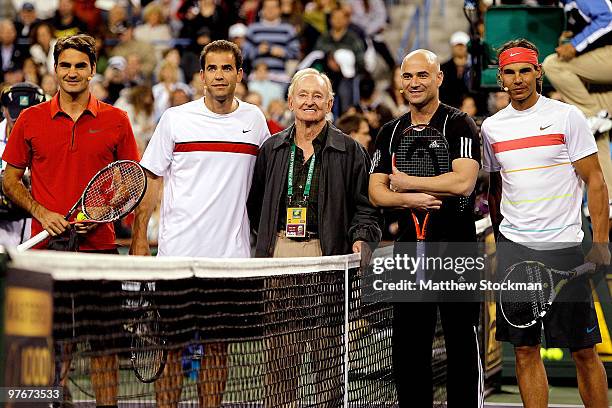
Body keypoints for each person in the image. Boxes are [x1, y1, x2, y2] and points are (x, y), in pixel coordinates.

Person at [1, 33, 140, 407]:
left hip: (100, 251)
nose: (73, 72)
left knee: (104, 348)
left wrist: (98, 214)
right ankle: (43, 403)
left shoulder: (117, 119)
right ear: (55, 69)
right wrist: (41, 213)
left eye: (80, 65)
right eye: (65, 65)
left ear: (93, 69)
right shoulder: (30, 120)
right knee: (40, 346)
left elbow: (130, 180)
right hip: (44, 253)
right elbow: (9, 179)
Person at [130, 39, 270, 408]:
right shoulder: (176, 119)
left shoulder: (255, 121)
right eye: (212, 68)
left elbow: (268, 181)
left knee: (217, 350)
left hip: (229, 261)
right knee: (171, 349)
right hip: (177, 258)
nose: (219, 75)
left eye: (227, 68)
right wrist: (140, 239)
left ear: (239, 74)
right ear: (202, 75)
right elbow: (151, 179)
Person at [483, 39, 610, 408]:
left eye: (525, 70)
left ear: (538, 72)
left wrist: (600, 243)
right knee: (524, 351)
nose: (518, 78)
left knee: (584, 352)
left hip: (565, 250)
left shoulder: (566, 116)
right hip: (516, 252)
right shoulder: (491, 128)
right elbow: (495, 191)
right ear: (501, 77)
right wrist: (500, 244)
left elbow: (596, 181)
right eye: (510, 71)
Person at [247, 67, 381, 407]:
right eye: (303, 96)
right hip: (279, 257)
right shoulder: (272, 149)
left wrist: (362, 238)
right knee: (280, 353)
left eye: (318, 96)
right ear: (290, 101)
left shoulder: (350, 150)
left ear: (330, 103)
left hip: (329, 256)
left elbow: (366, 207)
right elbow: (256, 203)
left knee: (327, 352)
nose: (310, 102)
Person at [369, 49, 483, 407]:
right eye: (408, 76)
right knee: (408, 346)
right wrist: (412, 199)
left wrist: (405, 183)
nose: (414, 83)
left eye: (422, 75)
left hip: (458, 251)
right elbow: (376, 192)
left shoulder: (460, 123)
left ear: (438, 78)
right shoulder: (390, 131)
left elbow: (463, 183)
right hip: (408, 252)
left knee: (460, 343)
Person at [542, 0, 612, 209]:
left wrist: (575, 44)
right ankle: (608, 202)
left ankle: (594, 114)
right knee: (597, 135)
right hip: (600, 68)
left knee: (553, 64)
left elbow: (608, 18)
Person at [0, 82, 45, 247]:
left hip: (35, 236)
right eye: (15, 119)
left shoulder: (49, 139)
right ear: (4, 110)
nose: (20, 125)